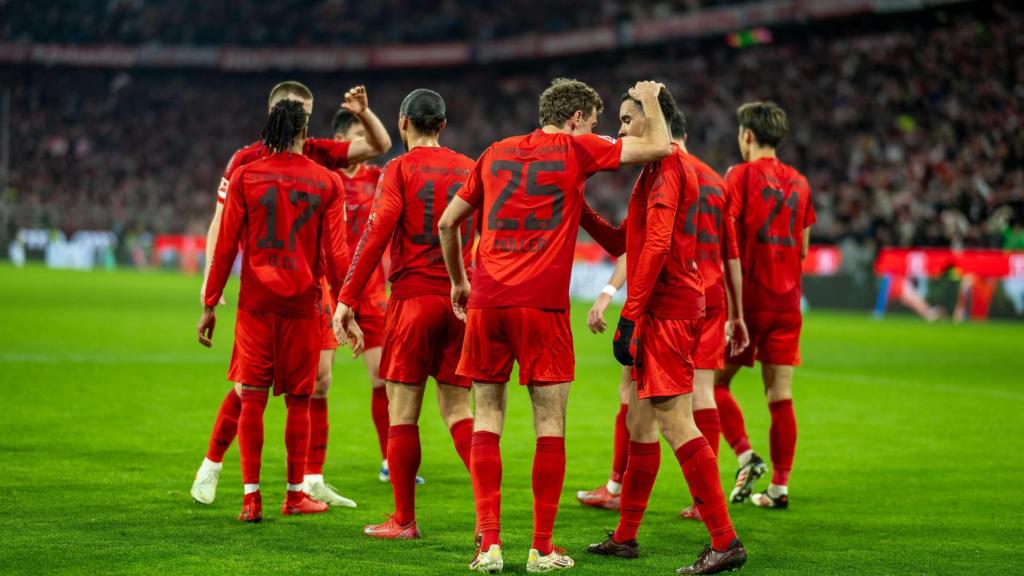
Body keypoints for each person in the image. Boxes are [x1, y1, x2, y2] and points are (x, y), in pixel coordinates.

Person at [437, 77, 672, 573]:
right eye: (593, 122)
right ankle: (541, 547)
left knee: (487, 419)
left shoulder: (495, 151)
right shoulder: (573, 148)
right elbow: (657, 145)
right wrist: (651, 97)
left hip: (486, 300)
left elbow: (447, 222)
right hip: (540, 305)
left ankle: (489, 547)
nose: (597, 130)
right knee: (549, 423)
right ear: (575, 120)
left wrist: (460, 281)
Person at [190, 81, 390, 506]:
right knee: (261, 391)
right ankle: (214, 464)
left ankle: (298, 483)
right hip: (293, 294)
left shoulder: (310, 156)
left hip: (293, 293)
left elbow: (379, 143)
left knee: (316, 382)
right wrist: (212, 290)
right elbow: (221, 224)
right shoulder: (250, 161)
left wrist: (211, 297)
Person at [582, 87, 746, 574]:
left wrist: (629, 313)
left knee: (676, 421)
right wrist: (579, 207)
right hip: (663, 306)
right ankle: (626, 535)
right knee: (639, 421)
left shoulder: (670, 168)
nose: (621, 129)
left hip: (668, 310)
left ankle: (724, 540)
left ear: (653, 121)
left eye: (628, 119)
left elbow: (654, 246)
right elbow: (623, 242)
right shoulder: (654, 171)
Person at [333, 89, 475, 540]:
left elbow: (375, 237)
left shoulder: (398, 169)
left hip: (412, 301)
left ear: (402, 124)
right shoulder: (470, 168)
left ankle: (404, 521)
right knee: (458, 411)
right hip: (459, 303)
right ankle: (487, 518)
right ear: (443, 126)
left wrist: (346, 299)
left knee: (403, 414)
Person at [714, 101, 815, 509]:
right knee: (780, 394)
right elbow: (804, 248)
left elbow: (728, 238)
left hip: (748, 300)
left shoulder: (739, 176)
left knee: (713, 385)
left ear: (748, 136)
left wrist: (732, 310)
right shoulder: (801, 183)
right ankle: (779, 487)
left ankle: (744, 453)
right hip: (789, 302)